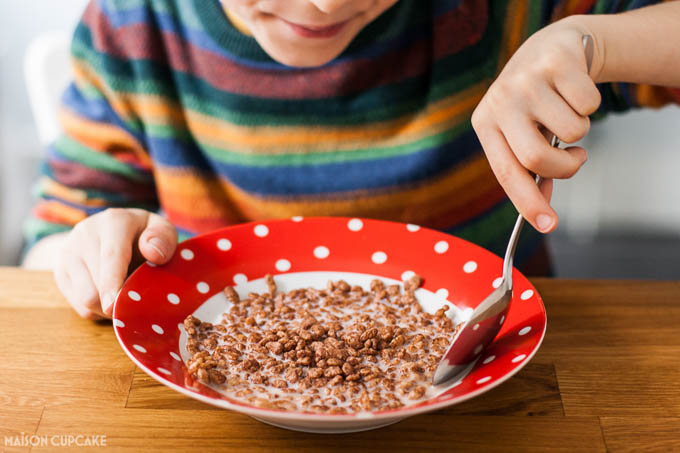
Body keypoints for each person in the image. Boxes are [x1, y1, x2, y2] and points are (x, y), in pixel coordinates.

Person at [22, 0, 680, 320]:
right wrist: (96, 253)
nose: (327, 2)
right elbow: (52, 241)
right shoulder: (134, 29)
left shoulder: (497, 12)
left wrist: (591, 43)